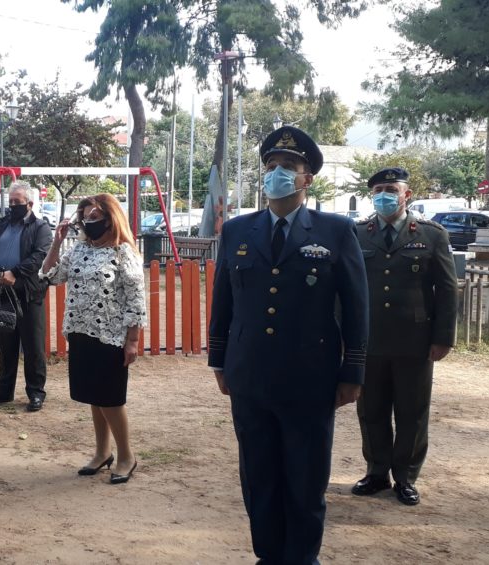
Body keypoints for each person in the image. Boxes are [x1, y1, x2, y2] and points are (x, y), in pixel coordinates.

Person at [208, 126, 369, 564]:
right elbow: (223, 300)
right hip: (250, 375)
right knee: (258, 475)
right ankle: (268, 554)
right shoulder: (238, 230)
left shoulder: (336, 231)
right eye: (271, 165)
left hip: (309, 377)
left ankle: (302, 557)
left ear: (306, 178)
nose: (276, 172)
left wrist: (353, 370)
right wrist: (219, 360)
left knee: (306, 477)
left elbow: (356, 306)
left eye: (288, 166)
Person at [351, 167, 458, 506]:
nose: (384, 195)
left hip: (415, 341)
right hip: (370, 340)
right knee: (371, 410)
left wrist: (443, 337)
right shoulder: (358, 233)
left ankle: (406, 477)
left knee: (412, 411)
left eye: (391, 189)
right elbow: (346, 288)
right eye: (378, 190)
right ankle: (377, 472)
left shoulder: (432, 234)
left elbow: (447, 289)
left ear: (406, 195)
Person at [39, 193, 146, 484]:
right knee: (95, 397)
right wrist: (57, 242)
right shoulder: (79, 249)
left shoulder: (124, 252)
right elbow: (49, 276)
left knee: (111, 398)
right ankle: (102, 452)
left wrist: (132, 340)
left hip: (110, 336)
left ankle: (126, 456)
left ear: (111, 218)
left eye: (95, 217)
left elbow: (136, 299)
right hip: (80, 332)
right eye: (84, 217)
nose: (88, 222)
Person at [0, 180, 53, 411]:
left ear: (29, 203)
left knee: (33, 348)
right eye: (10, 201)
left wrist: (14, 273)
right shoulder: (1, 226)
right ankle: (4, 391)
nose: (12, 205)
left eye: (17, 202)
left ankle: (36, 393)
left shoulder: (40, 228)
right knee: (7, 346)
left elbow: (39, 256)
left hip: (29, 295)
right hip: (2, 293)